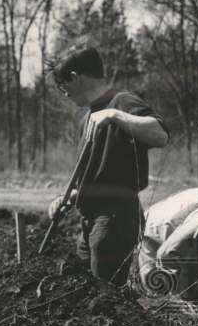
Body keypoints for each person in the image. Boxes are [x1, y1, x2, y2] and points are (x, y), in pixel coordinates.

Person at [50, 45, 168, 286]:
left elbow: (160, 135)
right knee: (84, 296)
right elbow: (100, 176)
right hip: (90, 220)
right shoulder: (87, 117)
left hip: (116, 218)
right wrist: (68, 197)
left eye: (63, 87)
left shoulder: (122, 102)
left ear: (75, 78)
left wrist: (115, 115)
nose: (65, 95)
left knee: (105, 299)